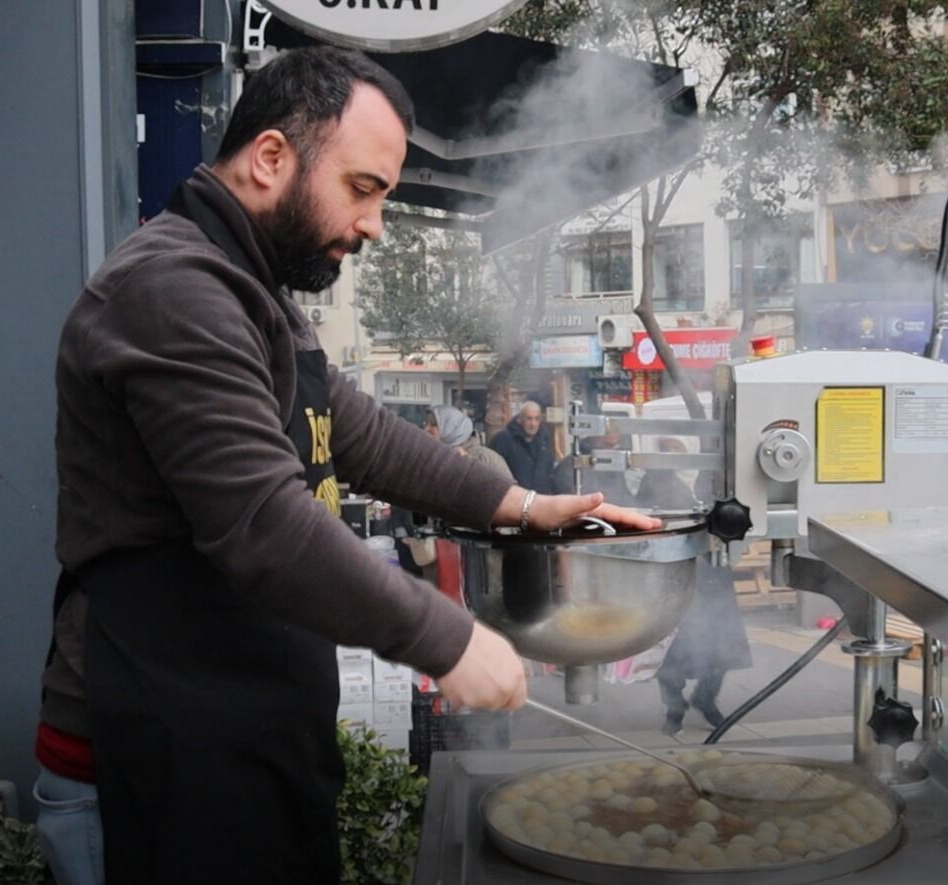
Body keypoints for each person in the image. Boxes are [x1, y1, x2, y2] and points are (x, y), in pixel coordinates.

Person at [33, 47, 655, 885]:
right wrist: (447, 639)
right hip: (149, 747)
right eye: (363, 188)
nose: (374, 225)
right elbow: (262, 523)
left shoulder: (255, 292)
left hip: (235, 732)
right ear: (270, 157)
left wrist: (524, 505)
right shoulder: (171, 289)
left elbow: (363, 437)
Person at [635, 439, 751, 736]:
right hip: (676, 575)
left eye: (679, 452)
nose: (676, 458)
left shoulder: (713, 479)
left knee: (722, 643)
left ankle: (706, 698)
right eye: (669, 453)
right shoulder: (654, 481)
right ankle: (674, 708)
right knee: (670, 650)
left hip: (713, 574)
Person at [425, 404, 511, 478]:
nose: (426, 429)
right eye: (426, 423)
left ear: (451, 427)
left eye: (433, 424)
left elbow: (510, 490)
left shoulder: (484, 458)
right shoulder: (433, 457)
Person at [489, 400, 558, 492]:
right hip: (515, 497)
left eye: (537, 419)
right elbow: (494, 474)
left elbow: (550, 468)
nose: (533, 424)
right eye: (529, 419)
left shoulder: (545, 439)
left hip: (542, 497)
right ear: (520, 419)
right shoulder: (503, 440)